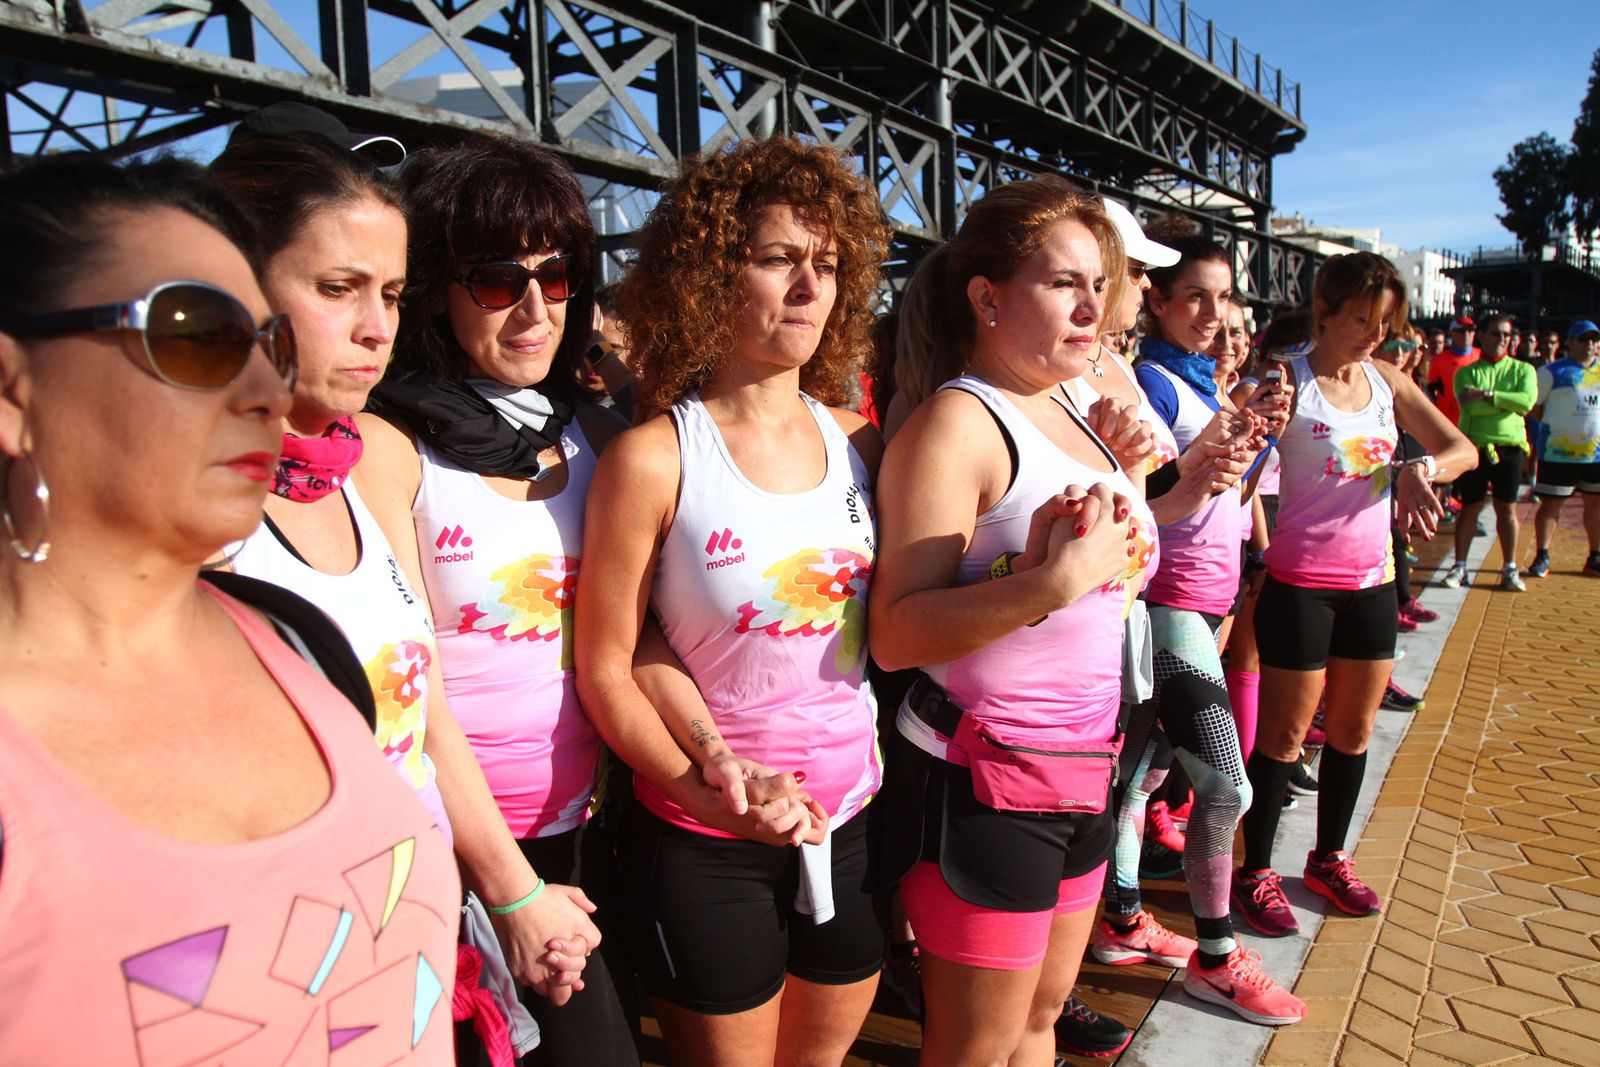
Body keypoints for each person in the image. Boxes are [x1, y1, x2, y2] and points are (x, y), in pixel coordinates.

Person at [0, 153, 459, 1060]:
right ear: (13, 392)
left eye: (270, 346)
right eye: (194, 335)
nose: (264, 390)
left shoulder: (301, 645)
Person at [209, 124, 601, 1040]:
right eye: (338, 288)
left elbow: (412, 709)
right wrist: (510, 888)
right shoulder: (210, 515)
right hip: (313, 950)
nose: (373, 324)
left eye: (386, 291)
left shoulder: (332, 471)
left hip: (441, 902)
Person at [574, 136, 891, 1067]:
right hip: (704, 838)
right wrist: (704, 787)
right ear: (713, 273)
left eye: (826, 265)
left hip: (851, 816)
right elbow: (610, 663)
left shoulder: (860, 442)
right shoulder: (653, 458)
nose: (808, 288)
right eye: (777, 259)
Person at [355, 134, 640, 1067]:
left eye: (556, 278)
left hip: (595, 830)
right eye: (494, 278)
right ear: (439, 287)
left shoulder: (595, 434)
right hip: (457, 851)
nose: (532, 307)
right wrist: (511, 890)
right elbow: (415, 685)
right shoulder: (391, 446)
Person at [867, 175, 1161, 1066]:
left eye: (1098, 284)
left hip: (1081, 766)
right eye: (1064, 281)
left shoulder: (1078, 413)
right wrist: (1045, 582)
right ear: (988, 297)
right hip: (980, 782)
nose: (1092, 304)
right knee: (972, 1049)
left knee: (1040, 1020)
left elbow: (1114, 587)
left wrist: (1138, 483)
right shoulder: (956, 425)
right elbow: (897, 632)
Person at [1235, 252, 1475, 937]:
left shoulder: (1387, 381)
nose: (1377, 333)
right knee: (1282, 739)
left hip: (1371, 585)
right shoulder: (1288, 381)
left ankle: (1328, 857)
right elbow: (1239, 475)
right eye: (1364, 319)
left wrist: (1415, 465)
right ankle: (1256, 871)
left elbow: (1462, 447)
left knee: (1354, 730)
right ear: (1325, 311)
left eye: (1386, 321)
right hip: (1299, 586)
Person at [1104, 220, 1302, 1026]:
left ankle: (1119, 922)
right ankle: (1216, 957)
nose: (1213, 312)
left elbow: (1226, 502)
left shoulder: (1204, 384)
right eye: (1195, 296)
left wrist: (1258, 440)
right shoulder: (1149, 380)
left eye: (1222, 298)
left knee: (1142, 780)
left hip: (1206, 610)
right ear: (1154, 299)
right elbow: (1143, 499)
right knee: (1225, 784)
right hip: (1164, 607)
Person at [1439, 313, 1537, 592]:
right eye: (1495, 333)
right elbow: (1469, 407)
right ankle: (1460, 566)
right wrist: (1505, 402)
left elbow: (1526, 402)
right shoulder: (1466, 372)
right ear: (1483, 335)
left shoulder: (1523, 370)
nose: (1501, 339)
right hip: (1476, 447)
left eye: (1506, 334)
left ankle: (1509, 568)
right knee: (1470, 508)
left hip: (1511, 447)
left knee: (1507, 508)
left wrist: (1487, 395)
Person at [1527, 320, 1600, 578]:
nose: (1590, 344)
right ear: (1569, 342)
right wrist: (1557, 426)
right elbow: (1533, 406)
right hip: (1558, 453)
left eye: (1594, 339)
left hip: (1595, 455)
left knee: (1595, 505)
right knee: (1551, 505)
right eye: (1583, 339)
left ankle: (1595, 557)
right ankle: (1542, 556)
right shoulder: (1551, 372)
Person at [1427, 315, 1479, 427]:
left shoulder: (1481, 356)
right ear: (1451, 333)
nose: (1466, 334)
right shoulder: (1439, 360)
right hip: (1448, 421)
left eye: (1470, 330)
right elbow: (1430, 390)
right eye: (1461, 331)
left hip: (1475, 421)